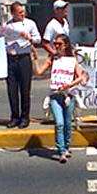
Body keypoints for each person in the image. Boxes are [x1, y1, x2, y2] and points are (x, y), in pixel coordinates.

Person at [35, 34, 85, 162]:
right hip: (55, 94)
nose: (56, 46)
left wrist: (70, 84)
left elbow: (80, 77)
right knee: (59, 123)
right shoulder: (53, 59)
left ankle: (66, 146)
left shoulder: (72, 60)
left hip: (68, 95)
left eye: (59, 44)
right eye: (55, 44)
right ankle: (61, 150)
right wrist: (35, 59)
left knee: (68, 124)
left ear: (66, 45)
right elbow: (39, 72)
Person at [3, 2, 41, 128]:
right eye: (19, 12)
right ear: (13, 13)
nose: (22, 14)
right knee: (12, 89)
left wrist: (29, 38)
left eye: (23, 11)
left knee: (25, 89)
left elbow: (38, 39)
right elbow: (2, 40)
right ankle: (14, 116)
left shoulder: (30, 24)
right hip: (11, 58)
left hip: (24, 57)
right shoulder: (7, 25)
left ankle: (25, 117)